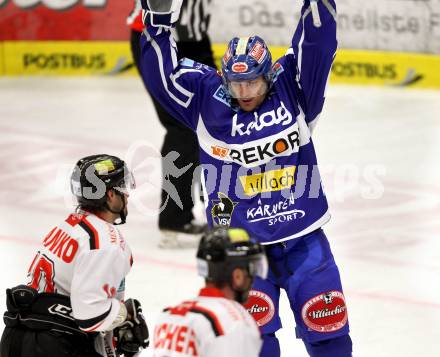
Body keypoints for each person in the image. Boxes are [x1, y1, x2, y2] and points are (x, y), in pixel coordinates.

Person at [139, 0, 353, 356]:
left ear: (269, 74)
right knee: (253, 344)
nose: (245, 93)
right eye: (236, 84)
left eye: (253, 82)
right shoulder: (206, 97)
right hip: (240, 252)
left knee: (329, 333)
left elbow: (318, 42)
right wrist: (158, 20)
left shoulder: (295, 90)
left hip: (303, 240)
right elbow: (163, 80)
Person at [0, 154, 149, 357]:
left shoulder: (69, 225)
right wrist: (125, 315)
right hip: (53, 344)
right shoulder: (106, 243)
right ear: (110, 195)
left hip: (16, 336)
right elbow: (90, 316)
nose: (128, 195)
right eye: (122, 187)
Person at [127, 0, 216, 247]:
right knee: (183, 128)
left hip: (195, 40)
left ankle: (216, 211)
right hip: (158, 37)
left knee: (216, 120)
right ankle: (174, 217)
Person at [152, 227, 266, 356]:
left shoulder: (168, 316)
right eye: (252, 270)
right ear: (238, 276)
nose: (253, 279)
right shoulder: (235, 322)